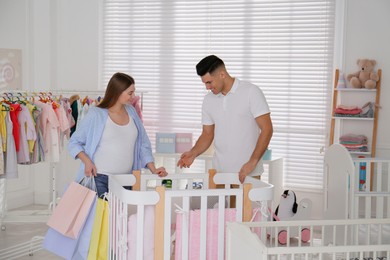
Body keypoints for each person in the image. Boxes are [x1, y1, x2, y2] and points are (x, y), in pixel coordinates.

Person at [68, 72, 167, 197]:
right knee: (104, 215)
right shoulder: (96, 114)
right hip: (100, 178)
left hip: (127, 180)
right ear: (117, 92)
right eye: (130, 93)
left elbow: (143, 144)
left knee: (122, 216)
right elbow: (74, 142)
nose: (133, 96)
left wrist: (153, 169)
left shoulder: (132, 112)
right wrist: (87, 161)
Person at [177, 55, 273, 183]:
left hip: (247, 173)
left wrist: (252, 162)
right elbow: (207, 134)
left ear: (222, 74)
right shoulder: (208, 100)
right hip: (219, 174)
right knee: (217, 204)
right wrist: (193, 153)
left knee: (245, 204)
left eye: (209, 82)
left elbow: (267, 129)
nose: (207, 87)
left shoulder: (251, 92)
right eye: (205, 83)